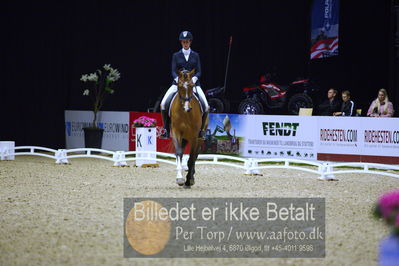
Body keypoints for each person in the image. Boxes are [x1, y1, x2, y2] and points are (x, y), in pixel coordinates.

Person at [160, 31, 209, 139]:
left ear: (190, 42)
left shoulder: (195, 55)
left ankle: (201, 131)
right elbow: (173, 71)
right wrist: (178, 80)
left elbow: (199, 71)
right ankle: (166, 130)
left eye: (187, 42)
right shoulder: (176, 55)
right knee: (163, 104)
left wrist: (194, 80)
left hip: (193, 84)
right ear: (181, 43)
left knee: (205, 106)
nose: (185, 44)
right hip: (178, 84)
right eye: (183, 42)